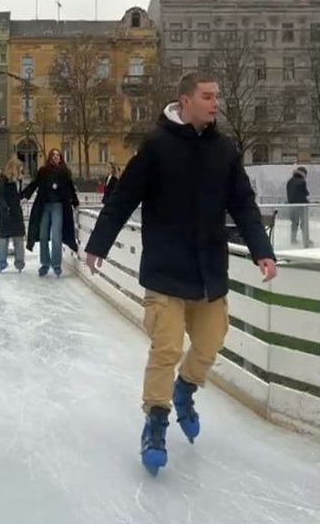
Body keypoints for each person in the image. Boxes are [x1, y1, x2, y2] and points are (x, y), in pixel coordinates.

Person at [84, 72, 277, 476]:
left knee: (209, 344)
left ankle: (185, 389)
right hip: (165, 271)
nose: (215, 103)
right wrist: (98, 244)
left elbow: (243, 204)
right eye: (207, 96)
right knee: (166, 348)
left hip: (209, 271)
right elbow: (123, 200)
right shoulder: (155, 147)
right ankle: (155, 422)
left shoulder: (224, 150)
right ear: (184, 101)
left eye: (217, 96)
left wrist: (262, 250)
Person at [22, 149, 79, 277]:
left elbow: (70, 187)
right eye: (53, 155)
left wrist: (75, 201)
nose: (55, 157)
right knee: (43, 235)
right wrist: (25, 195)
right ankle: (45, 263)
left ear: (60, 158)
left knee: (56, 236)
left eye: (57, 155)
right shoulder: (43, 171)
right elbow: (34, 184)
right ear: (50, 157)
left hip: (58, 206)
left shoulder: (65, 172)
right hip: (44, 206)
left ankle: (56, 264)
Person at [0, 156, 26, 272]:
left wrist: (25, 195)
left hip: (16, 213)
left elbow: (18, 195)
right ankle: (1, 263)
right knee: (3, 239)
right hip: (5, 213)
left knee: (19, 239)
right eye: (20, 168)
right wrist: (5, 208)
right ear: (14, 168)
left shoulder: (18, 180)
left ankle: (20, 263)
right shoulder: (3, 179)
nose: (22, 171)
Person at [286, 167, 312, 247]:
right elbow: (306, 193)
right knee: (304, 223)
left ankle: (293, 239)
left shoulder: (289, 181)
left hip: (292, 205)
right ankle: (306, 240)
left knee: (294, 223)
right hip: (302, 206)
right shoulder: (302, 181)